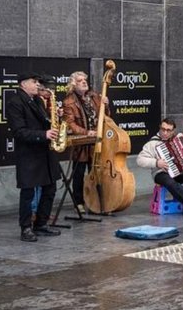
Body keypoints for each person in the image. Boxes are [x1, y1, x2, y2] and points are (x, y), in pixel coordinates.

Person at [7, 72, 63, 242]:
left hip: (45, 152)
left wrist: (55, 117)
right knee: (28, 192)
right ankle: (25, 228)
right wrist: (43, 134)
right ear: (23, 84)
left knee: (50, 189)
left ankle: (41, 224)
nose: (38, 85)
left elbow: (44, 121)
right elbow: (19, 131)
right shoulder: (15, 102)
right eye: (34, 82)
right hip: (29, 154)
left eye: (38, 82)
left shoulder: (37, 100)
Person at [62, 71, 110, 214]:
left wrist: (106, 105)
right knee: (79, 173)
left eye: (85, 80)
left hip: (97, 142)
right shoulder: (69, 101)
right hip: (82, 144)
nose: (84, 82)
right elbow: (70, 124)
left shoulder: (94, 96)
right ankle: (79, 202)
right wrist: (86, 132)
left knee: (96, 172)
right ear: (73, 84)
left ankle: (97, 202)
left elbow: (106, 117)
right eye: (80, 81)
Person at [137, 118, 183, 215]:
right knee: (170, 182)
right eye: (163, 129)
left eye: (168, 130)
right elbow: (140, 160)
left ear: (173, 131)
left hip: (179, 172)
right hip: (160, 173)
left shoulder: (180, 138)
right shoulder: (152, 143)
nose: (165, 132)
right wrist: (156, 162)